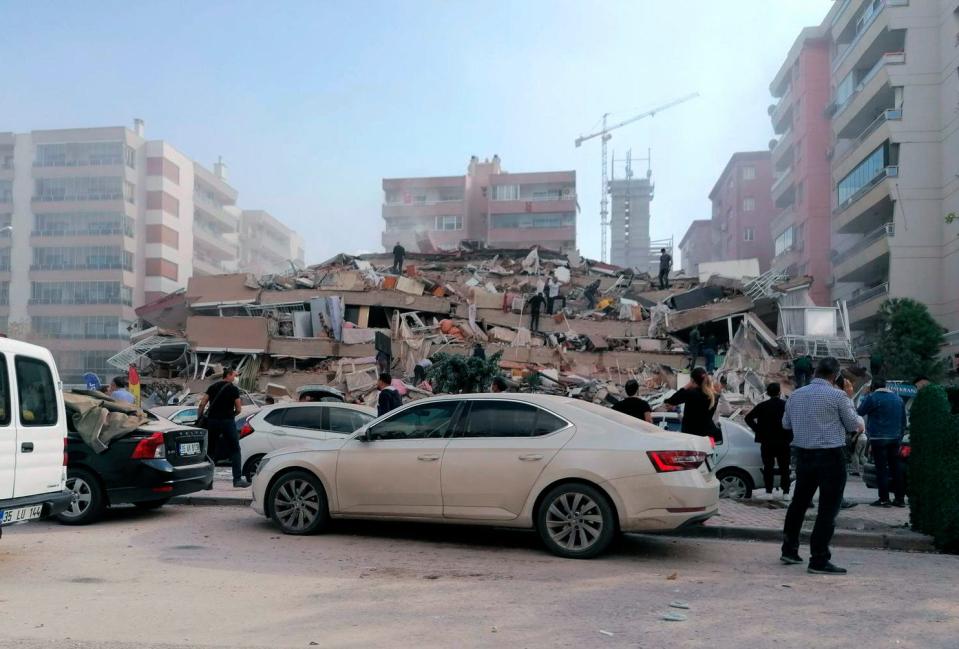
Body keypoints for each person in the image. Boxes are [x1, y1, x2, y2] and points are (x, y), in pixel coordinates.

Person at [780, 357, 863, 575]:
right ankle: (818, 558)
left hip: (803, 455)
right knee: (828, 508)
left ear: (815, 373)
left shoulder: (795, 395)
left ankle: (789, 550)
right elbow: (854, 425)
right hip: (830, 456)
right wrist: (850, 399)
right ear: (836, 376)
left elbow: (785, 424)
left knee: (799, 503)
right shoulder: (838, 396)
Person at [857, 378, 907, 507]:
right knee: (896, 469)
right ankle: (900, 499)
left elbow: (860, 411)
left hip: (878, 439)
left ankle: (884, 499)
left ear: (873, 387)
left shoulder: (873, 397)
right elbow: (903, 421)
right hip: (895, 438)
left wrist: (865, 394)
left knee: (882, 469)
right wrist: (899, 437)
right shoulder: (898, 398)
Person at [197, 368, 248, 488]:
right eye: (234, 375)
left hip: (212, 421)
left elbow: (202, 403)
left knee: (210, 451)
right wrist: (231, 415)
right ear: (229, 375)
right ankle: (237, 480)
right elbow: (239, 409)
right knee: (235, 450)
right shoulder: (233, 389)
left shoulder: (212, 387)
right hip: (227, 421)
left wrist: (200, 416)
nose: (235, 378)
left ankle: (208, 482)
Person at [745, 382, 792, 497]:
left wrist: (758, 430)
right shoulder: (786, 405)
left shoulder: (762, 406)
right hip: (783, 441)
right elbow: (794, 421)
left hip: (767, 441)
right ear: (779, 392)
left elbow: (748, 418)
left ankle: (769, 491)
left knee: (768, 467)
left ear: (767, 393)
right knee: (784, 467)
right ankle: (786, 492)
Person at [664, 367, 720, 438]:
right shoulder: (714, 396)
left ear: (692, 380)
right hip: (707, 437)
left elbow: (670, 401)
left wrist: (687, 385)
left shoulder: (691, 394)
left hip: (691, 437)